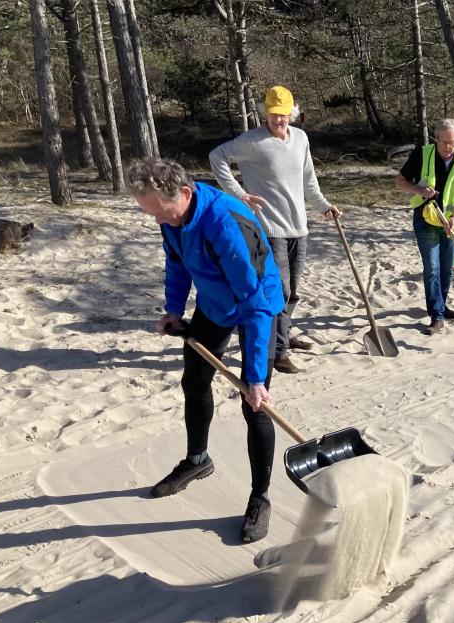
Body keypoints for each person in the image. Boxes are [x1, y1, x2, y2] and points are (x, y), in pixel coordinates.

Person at [132, 158, 285, 544]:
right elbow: (177, 262)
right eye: (150, 213)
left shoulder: (225, 223)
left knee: (255, 405)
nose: (157, 221)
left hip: (257, 306)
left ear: (184, 193)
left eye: (159, 211)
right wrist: (174, 309)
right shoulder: (172, 217)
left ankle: (261, 497)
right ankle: (198, 460)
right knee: (195, 382)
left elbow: (253, 302)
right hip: (215, 304)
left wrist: (254, 378)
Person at [210, 85, 341, 375]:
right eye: (272, 114)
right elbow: (217, 157)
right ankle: (279, 352)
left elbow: (309, 179)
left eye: (282, 114)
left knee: (292, 292)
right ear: (264, 113)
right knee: (279, 290)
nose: (277, 119)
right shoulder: (252, 141)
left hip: (299, 226)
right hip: (269, 228)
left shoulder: (301, 138)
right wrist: (239, 194)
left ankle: (281, 334)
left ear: (291, 113)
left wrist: (323, 205)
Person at [394, 119, 454, 335]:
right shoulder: (422, 155)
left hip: (451, 224)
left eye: (453, 142)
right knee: (432, 268)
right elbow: (400, 181)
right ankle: (436, 316)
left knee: (447, 270)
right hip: (426, 219)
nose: (449, 147)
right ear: (436, 139)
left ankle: (442, 305)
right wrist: (419, 190)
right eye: (445, 142)